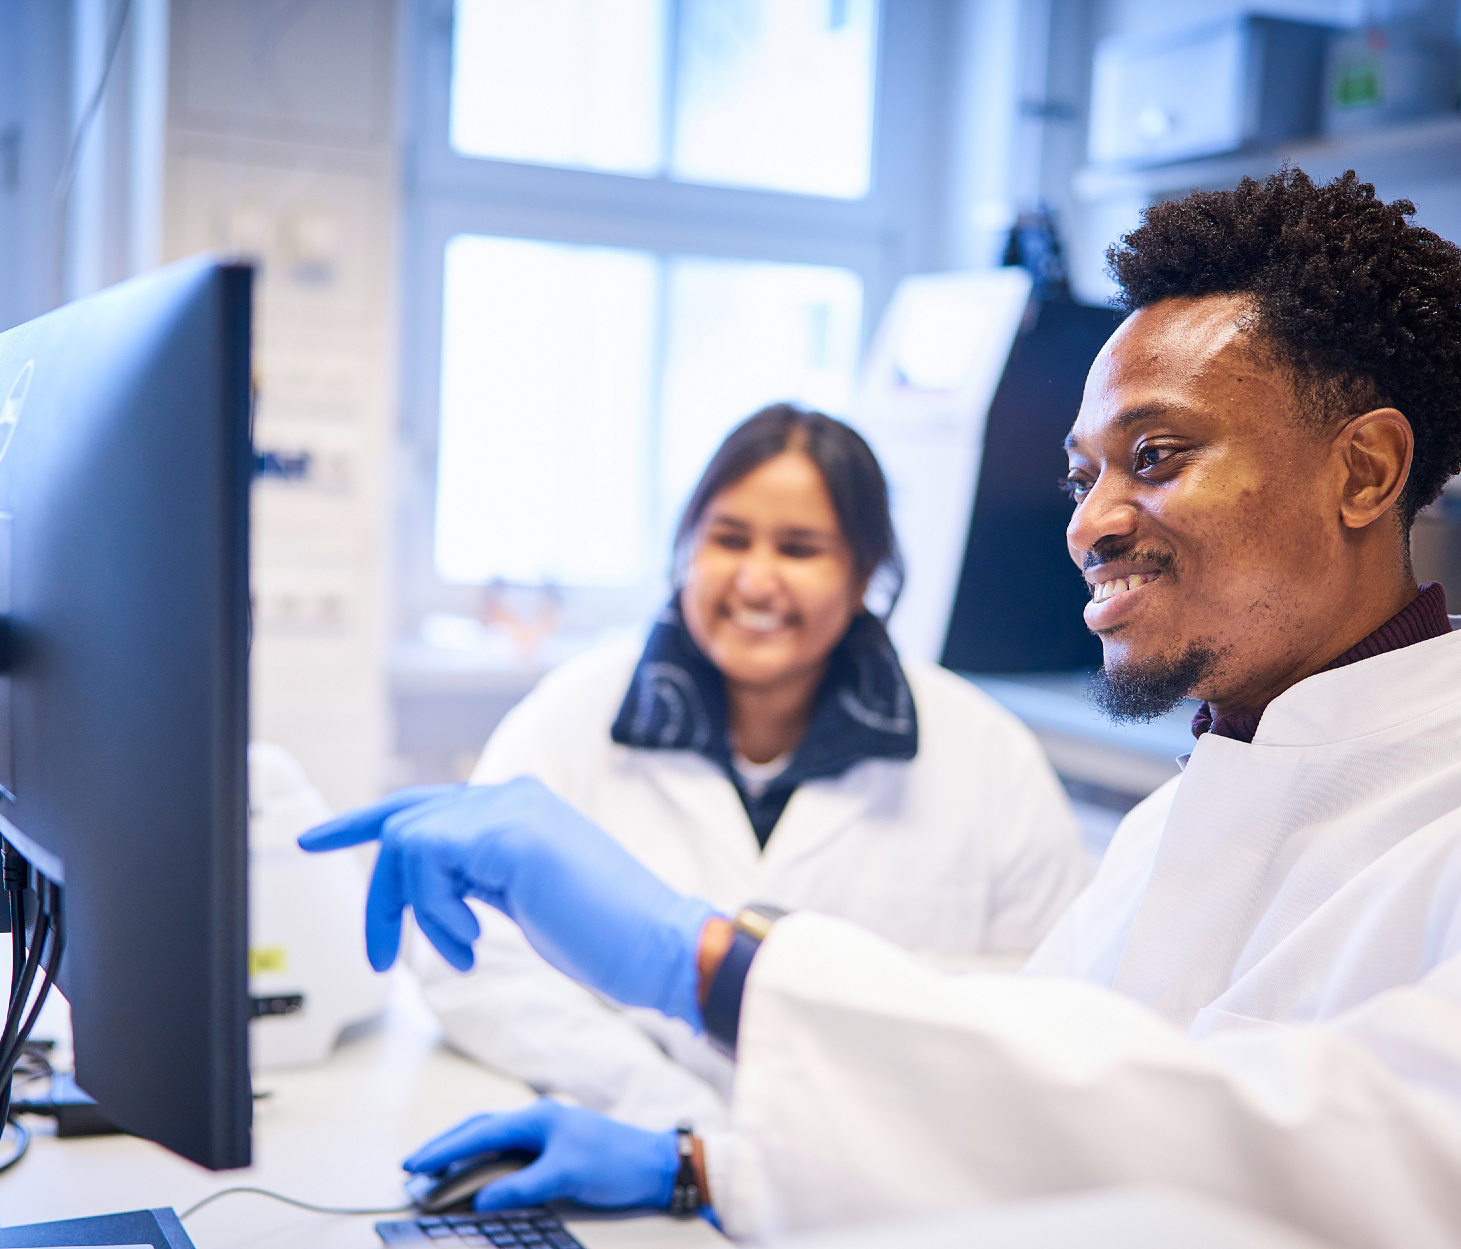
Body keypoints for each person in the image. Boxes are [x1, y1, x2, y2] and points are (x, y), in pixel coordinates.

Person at [305, 170, 1461, 1249]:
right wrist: (700, 1165)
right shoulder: (1186, 818)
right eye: (1083, 474)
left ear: (1363, 472)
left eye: (1155, 454)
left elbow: (1374, 1199)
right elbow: (1023, 1133)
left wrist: (712, 963)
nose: (1089, 521)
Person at [408, 405, 1092, 1132]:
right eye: (729, 539)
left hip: (882, 1164)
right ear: (688, 550)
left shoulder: (985, 753)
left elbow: (1053, 998)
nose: (756, 581)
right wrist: (669, 1116)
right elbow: (475, 963)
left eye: (799, 549)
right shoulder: (570, 719)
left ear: (863, 572)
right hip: (623, 1137)